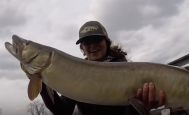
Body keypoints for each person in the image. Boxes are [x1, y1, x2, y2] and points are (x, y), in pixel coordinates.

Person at [24, 21, 166, 115]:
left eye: (97, 40)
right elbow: (62, 111)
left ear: (106, 42)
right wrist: (41, 81)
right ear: (82, 48)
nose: (92, 45)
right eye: (86, 42)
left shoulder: (127, 68)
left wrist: (146, 105)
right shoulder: (76, 75)